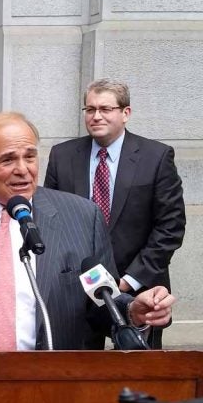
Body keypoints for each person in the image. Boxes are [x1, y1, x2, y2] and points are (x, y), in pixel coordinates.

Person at [0, 112, 175, 372]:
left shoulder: (82, 217)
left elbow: (101, 301)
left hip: (54, 384)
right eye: (8, 159)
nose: (23, 169)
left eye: (30, 156)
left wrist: (132, 311)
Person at [44, 78, 185, 348]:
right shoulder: (62, 156)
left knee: (135, 376)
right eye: (90, 109)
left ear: (125, 113)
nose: (96, 116)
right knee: (79, 373)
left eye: (106, 109)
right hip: (78, 289)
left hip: (140, 290)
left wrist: (128, 282)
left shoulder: (156, 156)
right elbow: (51, 219)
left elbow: (170, 227)